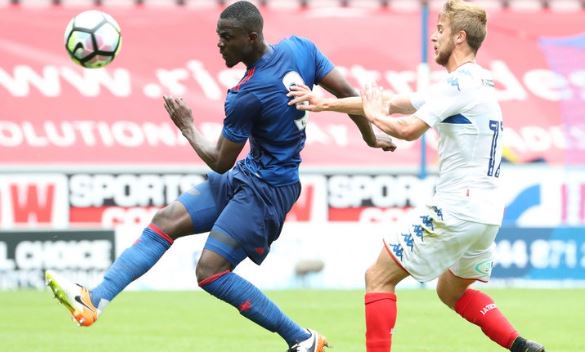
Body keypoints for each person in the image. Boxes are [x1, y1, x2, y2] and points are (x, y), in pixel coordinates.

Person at [44, 1, 395, 352]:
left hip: (268, 189)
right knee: (166, 221)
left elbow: (219, 160)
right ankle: (95, 300)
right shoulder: (300, 48)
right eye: (218, 37)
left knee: (210, 271)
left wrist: (187, 126)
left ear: (251, 37)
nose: (220, 45)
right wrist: (370, 137)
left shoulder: (247, 94)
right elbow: (349, 93)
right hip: (252, 174)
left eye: (227, 38)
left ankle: (302, 340)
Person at [287, 1, 545, 351]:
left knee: (378, 277)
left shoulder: (459, 85)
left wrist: (375, 118)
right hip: (487, 214)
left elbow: (406, 129)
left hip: (458, 206)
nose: (434, 37)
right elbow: (394, 103)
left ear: (460, 37)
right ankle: (521, 346)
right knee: (450, 290)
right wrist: (324, 103)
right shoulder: (475, 83)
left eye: (440, 29)